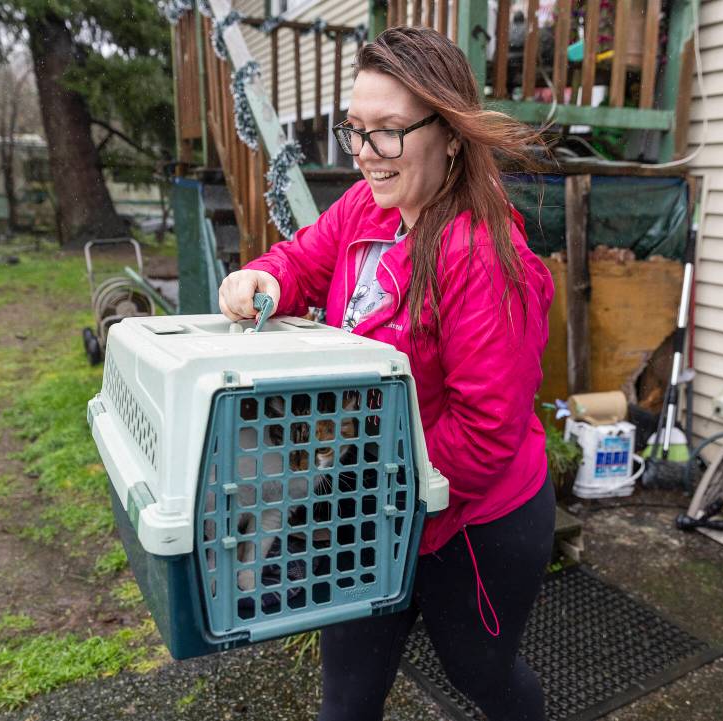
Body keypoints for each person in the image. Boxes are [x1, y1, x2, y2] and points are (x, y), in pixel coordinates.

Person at [218, 26, 556, 721]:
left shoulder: (485, 258)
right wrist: (264, 277)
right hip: (381, 498)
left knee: (482, 675)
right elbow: (305, 258)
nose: (367, 155)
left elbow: (486, 431)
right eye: (355, 131)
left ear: (453, 134)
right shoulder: (367, 208)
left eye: (390, 132)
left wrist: (380, 493)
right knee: (346, 697)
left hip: (475, 520)